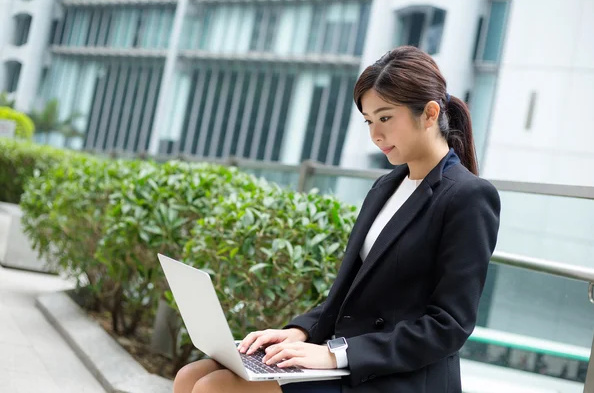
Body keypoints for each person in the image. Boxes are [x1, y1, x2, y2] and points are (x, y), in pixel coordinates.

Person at [173, 45, 501, 393]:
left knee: (216, 388)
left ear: (430, 113)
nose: (376, 135)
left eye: (386, 118)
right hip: (345, 359)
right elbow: (348, 297)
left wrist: (334, 355)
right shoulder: (386, 186)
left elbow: (448, 326)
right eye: (369, 121)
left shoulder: (468, 196)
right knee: (191, 376)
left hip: (396, 375)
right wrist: (298, 332)